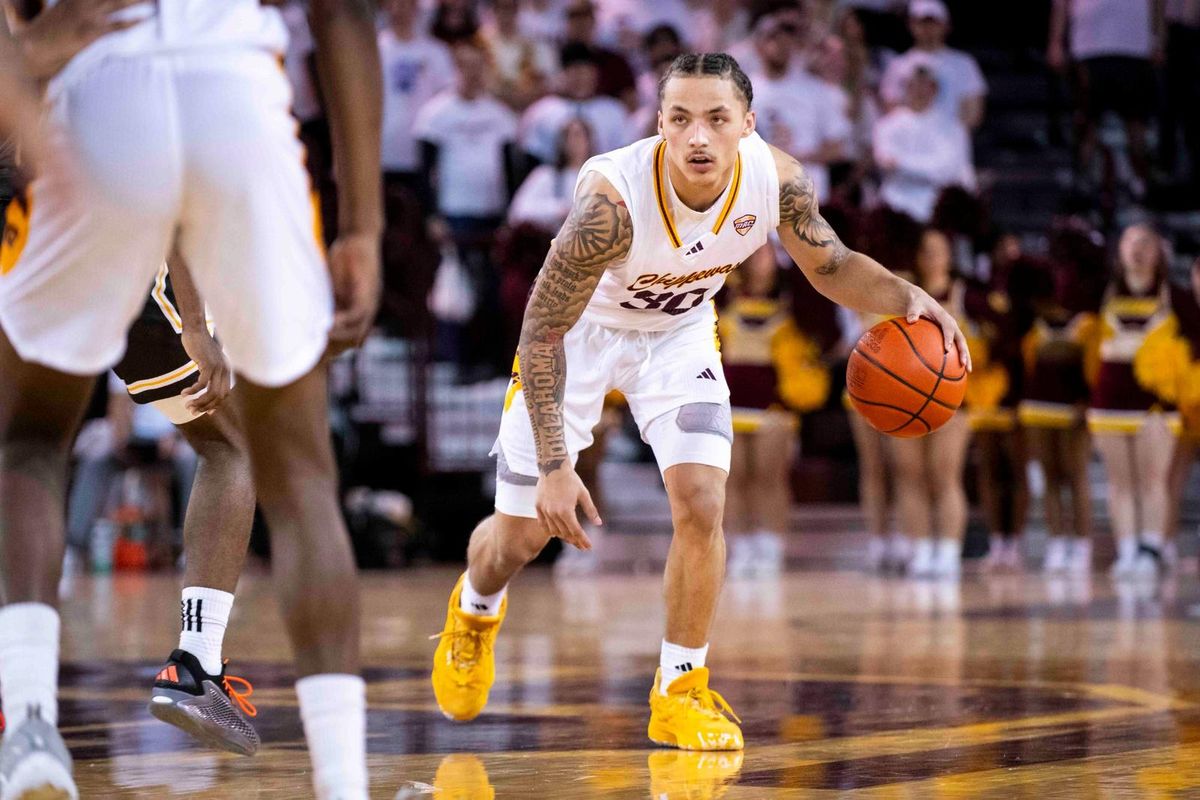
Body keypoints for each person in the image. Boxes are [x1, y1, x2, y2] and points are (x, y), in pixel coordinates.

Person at [429, 53, 969, 752]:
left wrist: (907, 297)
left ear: (748, 124)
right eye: (680, 118)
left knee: (703, 504)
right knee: (521, 537)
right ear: (659, 125)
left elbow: (830, 266)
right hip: (578, 341)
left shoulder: (775, 179)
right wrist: (560, 467)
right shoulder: (610, 205)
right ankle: (474, 611)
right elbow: (541, 331)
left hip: (679, 336)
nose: (698, 137)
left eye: (717, 118)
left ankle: (679, 688)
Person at [0, 1, 383, 798]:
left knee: (30, 439)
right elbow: (344, 14)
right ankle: (313, 756)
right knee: (293, 470)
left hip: (87, 108)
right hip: (237, 96)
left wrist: (31, 76)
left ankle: (29, 714)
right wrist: (365, 230)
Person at [719, 243, 830, 577]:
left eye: (766, 252)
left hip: (774, 407)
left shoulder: (793, 303)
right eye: (752, 253)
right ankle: (737, 543)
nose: (758, 259)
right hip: (731, 404)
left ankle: (770, 543)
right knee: (733, 479)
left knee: (770, 478)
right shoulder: (725, 298)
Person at [416, 36, 520, 378]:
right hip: (455, 212)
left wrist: (508, 214)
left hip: (491, 213)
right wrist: (432, 214)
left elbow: (509, 170)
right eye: (466, 67)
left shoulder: (500, 116)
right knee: (458, 291)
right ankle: (457, 361)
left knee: (491, 288)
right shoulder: (436, 114)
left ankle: (488, 361)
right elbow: (424, 170)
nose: (473, 75)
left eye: (479, 68)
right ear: (456, 70)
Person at [1088, 224, 1180, 578]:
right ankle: (1127, 550)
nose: (1137, 250)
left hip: (1155, 404)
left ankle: (1151, 548)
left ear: (1159, 251)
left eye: (1146, 242)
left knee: (1153, 480)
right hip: (1109, 401)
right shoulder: (1103, 291)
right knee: (1120, 482)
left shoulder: (1175, 295)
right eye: (1130, 242)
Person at [1018, 223, 1103, 574]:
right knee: (1050, 476)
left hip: (1075, 407)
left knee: (1076, 475)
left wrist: (1089, 401)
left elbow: (1096, 367)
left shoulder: (1089, 318)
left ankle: (1082, 545)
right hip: (1038, 405)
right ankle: (1057, 542)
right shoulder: (1034, 316)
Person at [888, 228, 972, 578]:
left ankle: (949, 550)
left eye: (940, 250)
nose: (933, 257)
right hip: (904, 397)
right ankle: (920, 548)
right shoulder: (900, 293)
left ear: (950, 256)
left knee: (944, 474)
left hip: (951, 398)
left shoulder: (966, 294)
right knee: (910, 475)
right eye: (927, 251)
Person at [1047, 0, 1162, 198]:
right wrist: (1056, 41)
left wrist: (1158, 37)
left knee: (1136, 122)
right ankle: (1083, 183)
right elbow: (1060, 4)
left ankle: (1141, 181)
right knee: (1087, 121)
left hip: (1133, 46)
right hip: (1089, 46)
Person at [748, 11, 852, 205]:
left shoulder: (816, 90)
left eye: (787, 39)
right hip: (762, 194)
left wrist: (798, 156)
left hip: (809, 192)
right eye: (774, 38)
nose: (781, 45)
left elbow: (838, 148)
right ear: (759, 45)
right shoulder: (744, 91)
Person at [873, 55, 975, 224]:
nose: (920, 90)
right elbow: (885, 163)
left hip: (937, 209)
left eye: (926, 84)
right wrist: (927, 167)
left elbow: (947, 171)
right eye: (914, 84)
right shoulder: (886, 126)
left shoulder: (953, 128)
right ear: (905, 86)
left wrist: (901, 164)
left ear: (934, 88)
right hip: (895, 207)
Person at [879, 0, 987, 129]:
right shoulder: (897, 65)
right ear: (911, 25)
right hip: (908, 143)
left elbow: (973, 113)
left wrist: (947, 137)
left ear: (946, 25)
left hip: (948, 142)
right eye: (922, 23)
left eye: (933, 22)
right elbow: (890, 108)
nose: (927, 28)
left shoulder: (964, 63)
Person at [519, 42, 629, 166]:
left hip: (604, 179)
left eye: (586, 71)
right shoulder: (541, 111)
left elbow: (626, 155)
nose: (581, 78)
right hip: (556, 180)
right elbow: (531, 157)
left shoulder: (613, 110)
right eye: (575, 71)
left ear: (595, 74)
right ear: (562, 74)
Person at [508, 117, 595, 231]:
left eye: (580, 135)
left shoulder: (600, 177)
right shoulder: (546, 175)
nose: (575, 141)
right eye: (569, 136)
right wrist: (560, 210)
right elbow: (518, 212)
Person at [483, 0, 558, 111]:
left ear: (517, 10)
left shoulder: (534, 42)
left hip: (528, 107)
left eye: (510, 9)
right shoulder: (481, 43)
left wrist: (524, 97)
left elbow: (548, 80)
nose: (506, 14)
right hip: (491, 108)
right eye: (501, 8)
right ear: (494, 11)